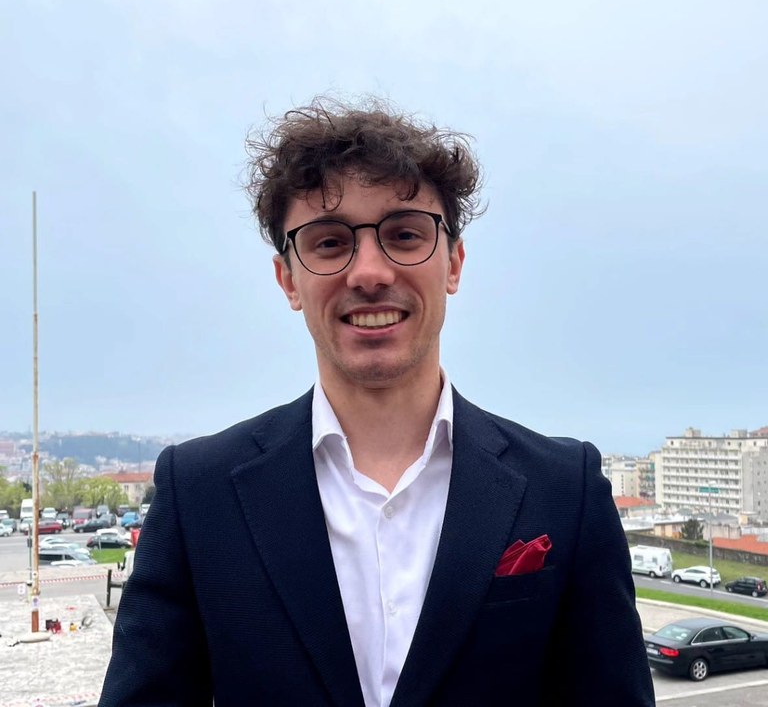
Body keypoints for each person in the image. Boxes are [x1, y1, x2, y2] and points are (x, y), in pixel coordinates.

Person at [99, 99, 654, 706]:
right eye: (329, 242)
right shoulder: (199, 491)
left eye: (405, 234)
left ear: (454, 264)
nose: (369, 272)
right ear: (288, 279)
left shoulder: (565, 489)